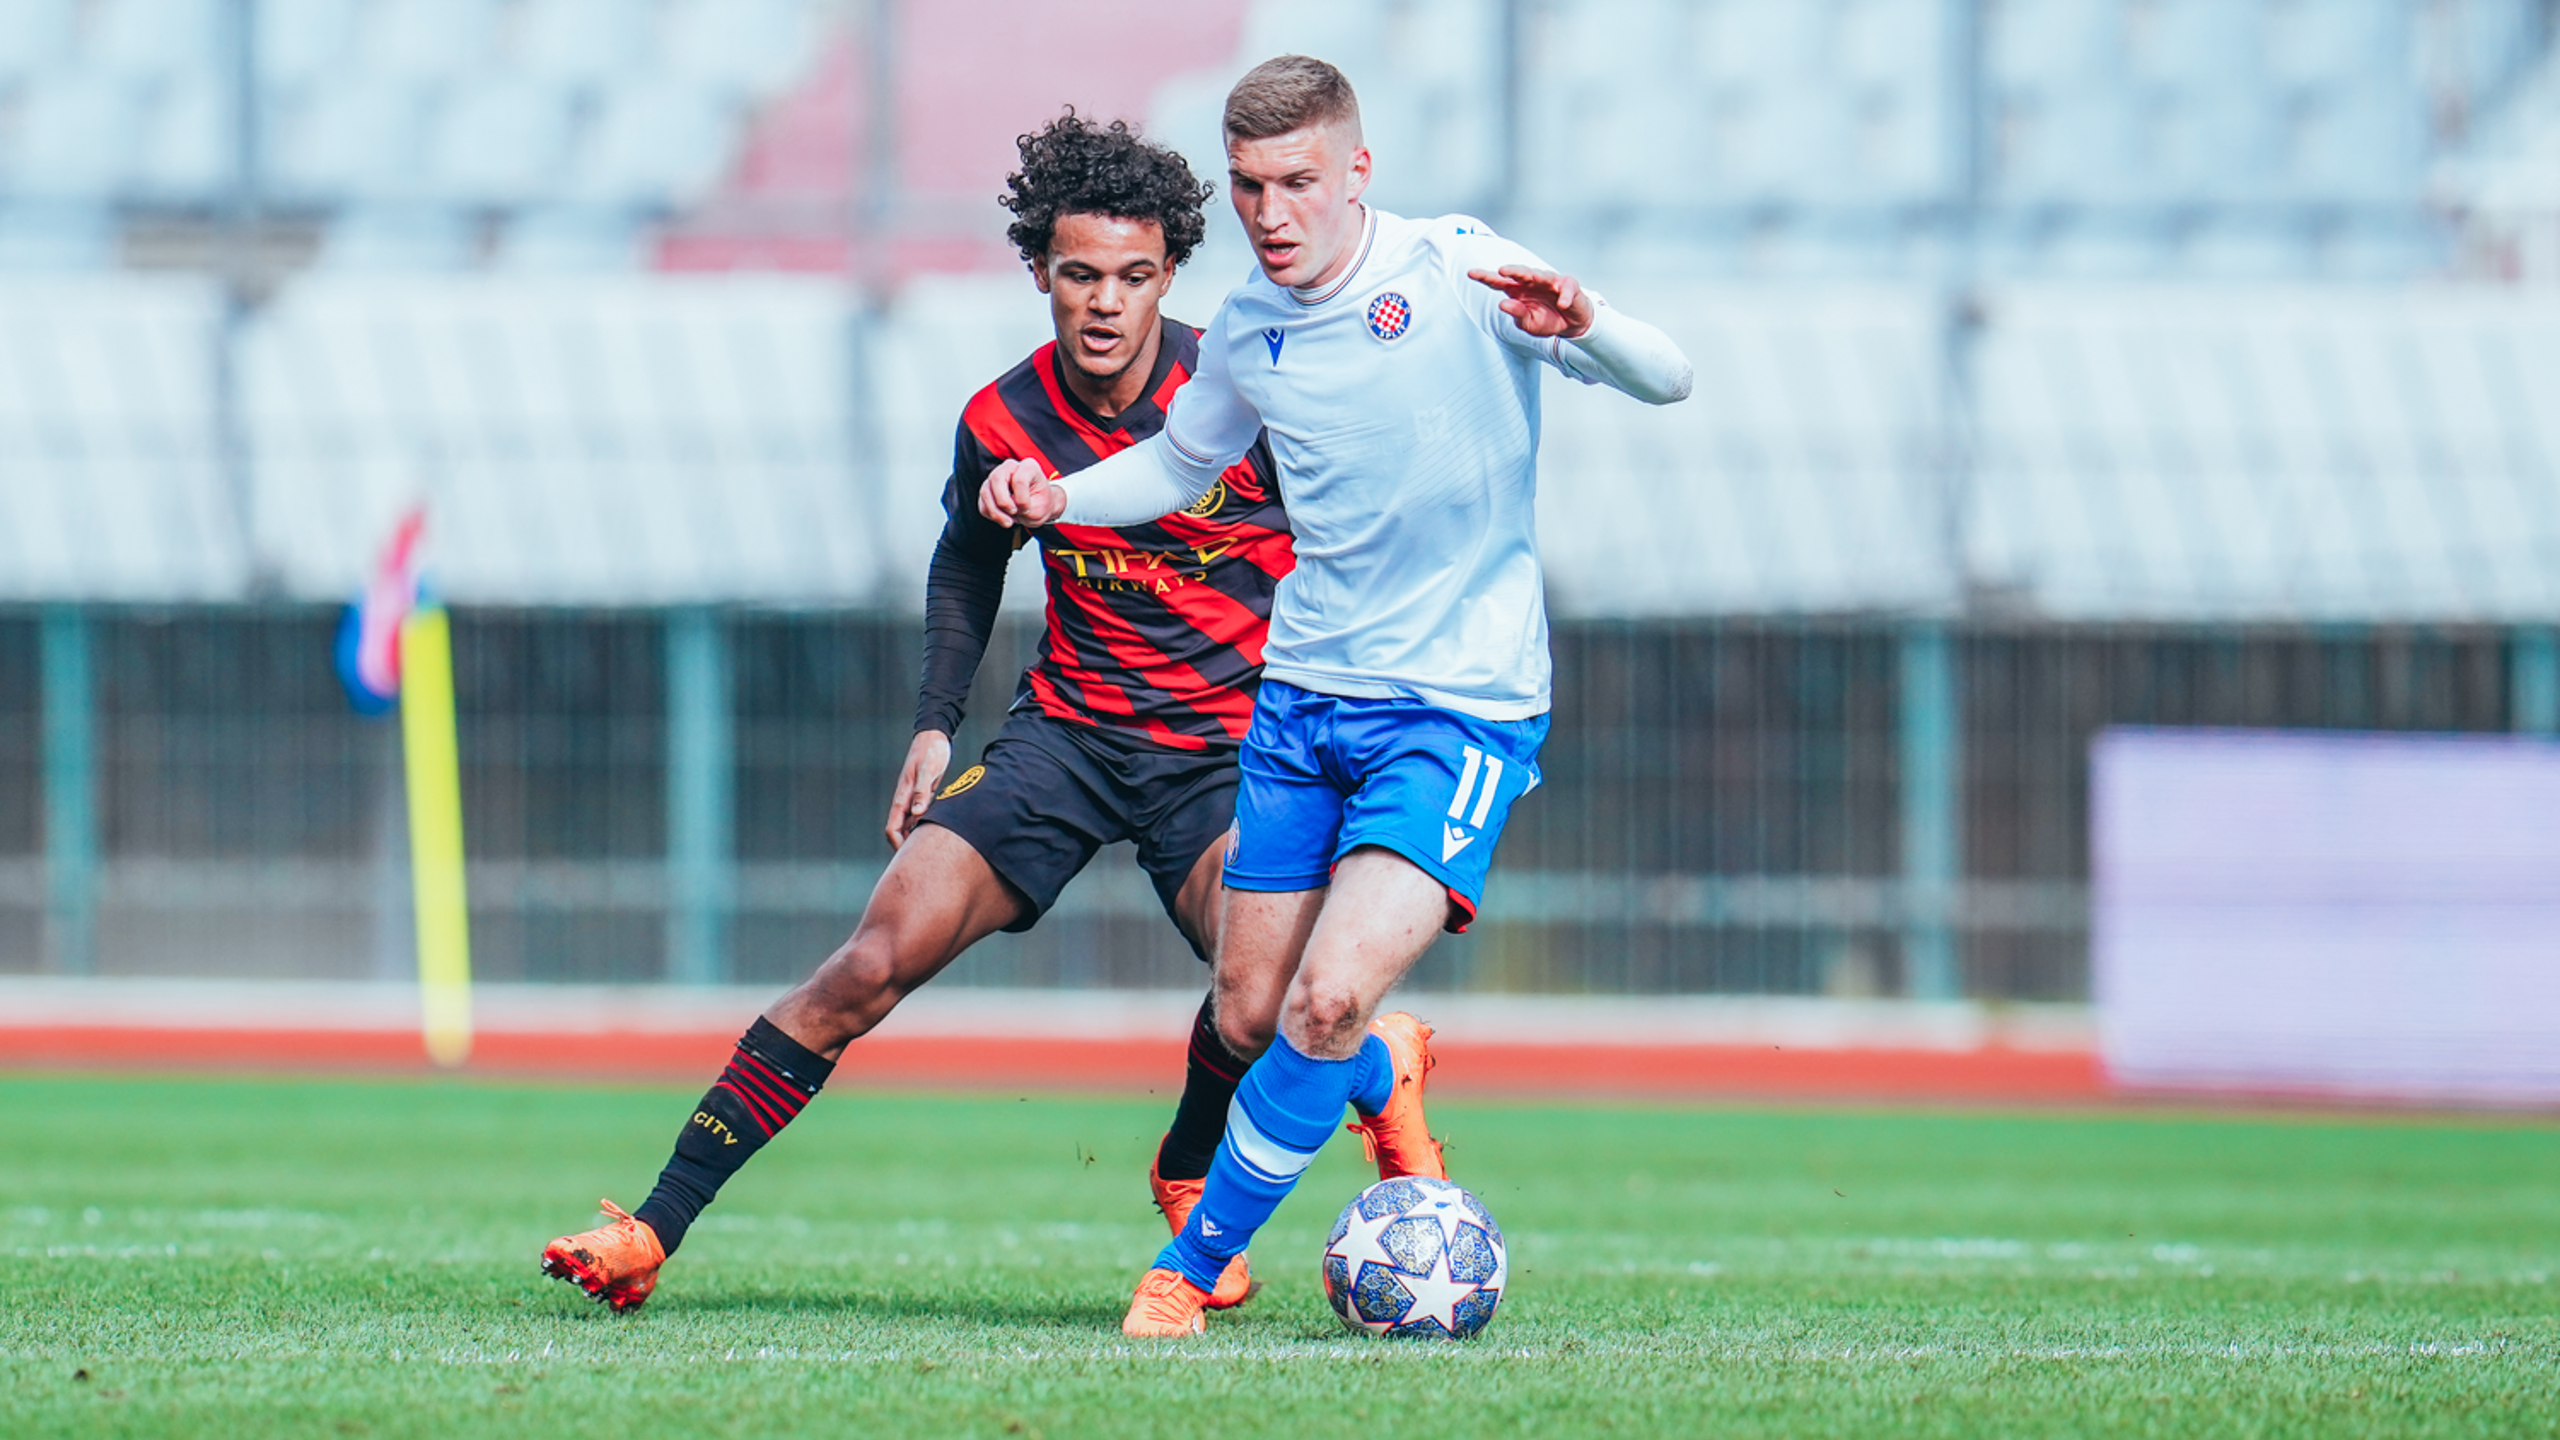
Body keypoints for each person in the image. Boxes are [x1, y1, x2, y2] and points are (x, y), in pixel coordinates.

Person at [978, 56, 1695, 1337]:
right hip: (1303, 706)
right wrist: (1056, 495)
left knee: (1322, 995)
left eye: (1298, 183)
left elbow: (1669, 377)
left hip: (1457, 710)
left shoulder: (1460, 271)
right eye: (1250, 187)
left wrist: (1584, 323)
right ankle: (1382, 1068)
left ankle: (1186, 1271)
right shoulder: (1252, 326)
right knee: (1251, 1010)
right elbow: (1182, 460)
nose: (1270, 215)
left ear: (1357, 173)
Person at [539, 112, 1298, 1313]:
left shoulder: (1244, 398)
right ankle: (653, 1227)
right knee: (865, 964)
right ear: (1039, 272)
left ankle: (1189, 1164)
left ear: (1171, 275)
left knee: (1259, 992)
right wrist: (937, 723)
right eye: (1079, 274)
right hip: (1066, 740)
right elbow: (965, 566)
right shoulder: (1000, 418)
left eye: (1135, 276)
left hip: (1223, 751)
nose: (1105, 303)